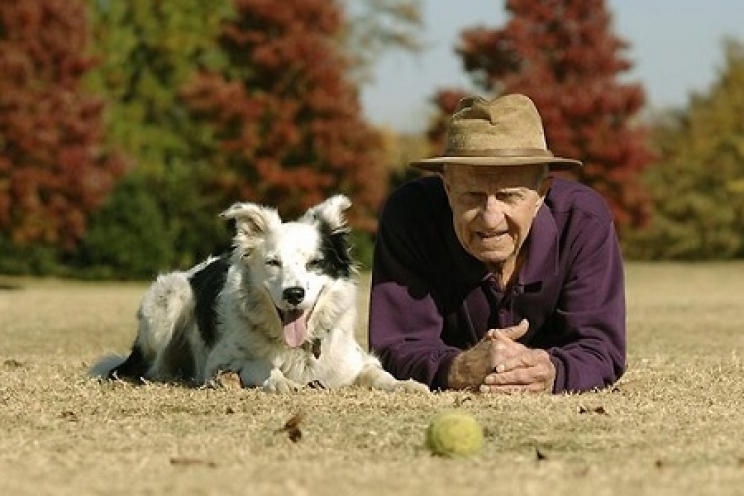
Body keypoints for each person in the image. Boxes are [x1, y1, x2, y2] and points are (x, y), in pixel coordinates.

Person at [368, 94, 626, 394]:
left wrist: (552, 372)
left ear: (541, 193)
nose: (490, 219)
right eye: (473, 196)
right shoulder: (410, 216)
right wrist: (456, 369)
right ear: (448, 189)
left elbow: (601, 349)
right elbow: (396, 346)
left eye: (508, 196)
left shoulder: (584, 221)